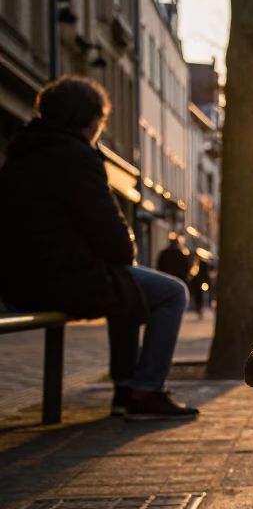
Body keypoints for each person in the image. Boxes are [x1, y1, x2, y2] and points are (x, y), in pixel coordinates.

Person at [0, 76, 199, 421]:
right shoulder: (77, 157)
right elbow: (114, 240)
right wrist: (122, 248)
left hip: (17, 284)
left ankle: (126, 389)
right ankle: (145, 391)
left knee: (125, 285)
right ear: (91, 120)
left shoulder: (19, 155)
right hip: (63, 281)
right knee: (171, 293)